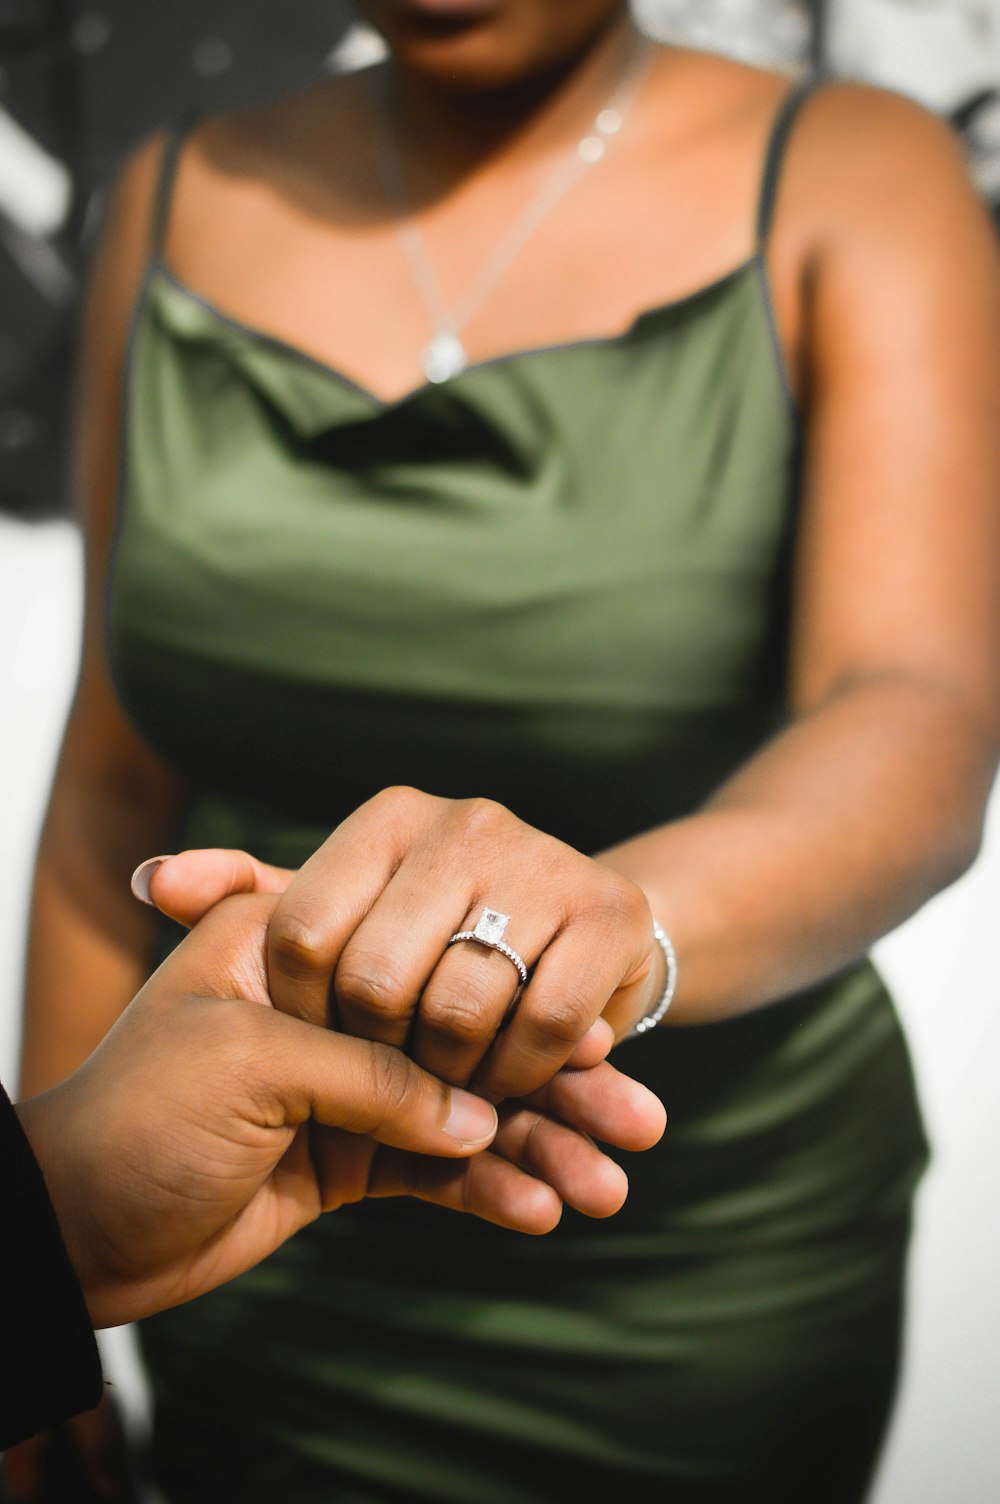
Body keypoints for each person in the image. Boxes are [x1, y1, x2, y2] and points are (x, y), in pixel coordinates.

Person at [17, 0, 1000, 1499]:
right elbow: (112, 799)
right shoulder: (169, 195)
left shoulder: (856, 172)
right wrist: (46, 1264)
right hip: (239, 1227)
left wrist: (625, 921)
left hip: (686, 1258)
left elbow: (917, 709)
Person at [2, 886, 664, 1452]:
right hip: (235, 1332)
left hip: (623, 1320)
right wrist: (50, 1229)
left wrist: (630, 943)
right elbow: (110, 809)